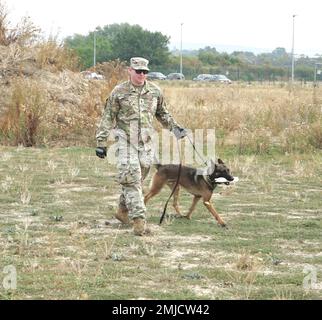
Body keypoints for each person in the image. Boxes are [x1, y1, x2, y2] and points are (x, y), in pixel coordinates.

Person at [96, 57, 187, 236]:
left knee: (136, 181)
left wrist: (175, 129)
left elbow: (162, 113)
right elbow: (108, 117)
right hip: (125, 141)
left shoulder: (154, 91)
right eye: (138, 71)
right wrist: (101, 142)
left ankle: (122, 210)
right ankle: (139, 221)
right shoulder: (119, 91)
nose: (142, 74)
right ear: (130, 71)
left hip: (146, 144)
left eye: (145, 71)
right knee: (131, 178)